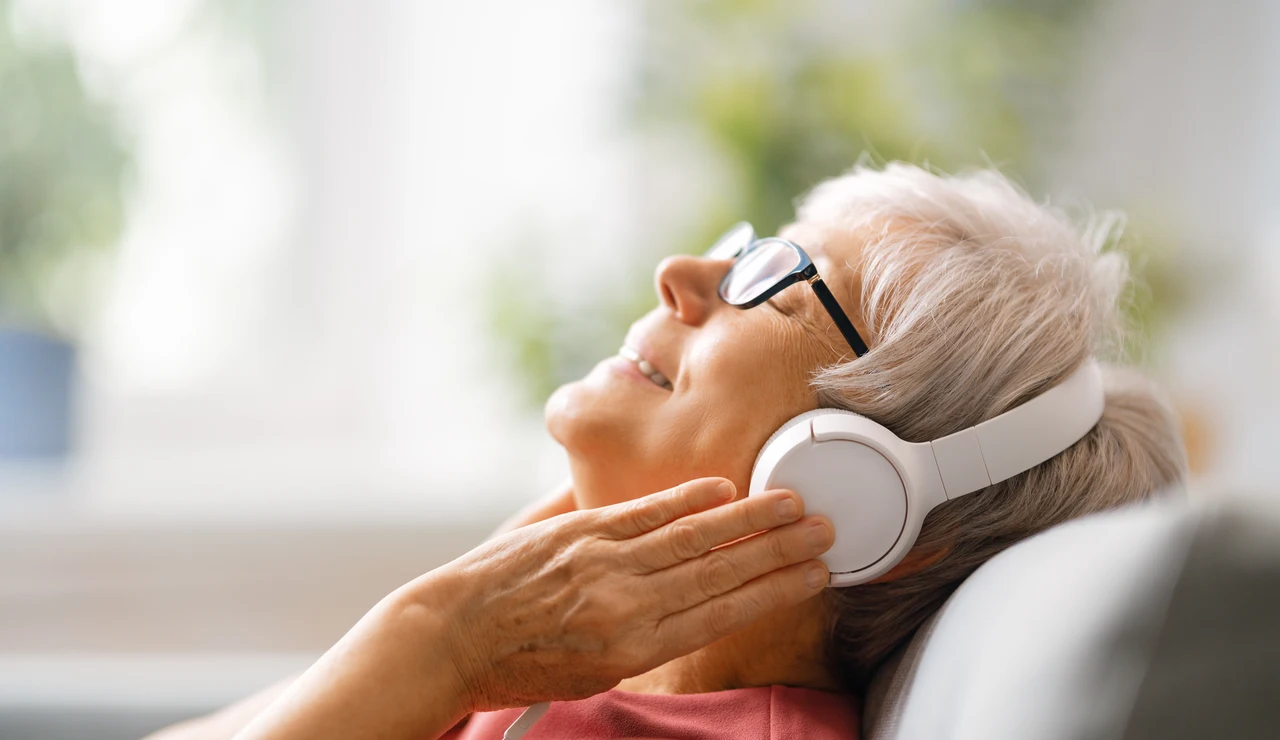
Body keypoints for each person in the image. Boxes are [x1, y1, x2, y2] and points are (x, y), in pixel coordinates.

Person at [153, 163, 1188, 739]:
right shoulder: (540, 651)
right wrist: (443, 632)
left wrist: (434, 644)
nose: (681, 273)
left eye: (773, 275)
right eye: (744, 245)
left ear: (858, 490)